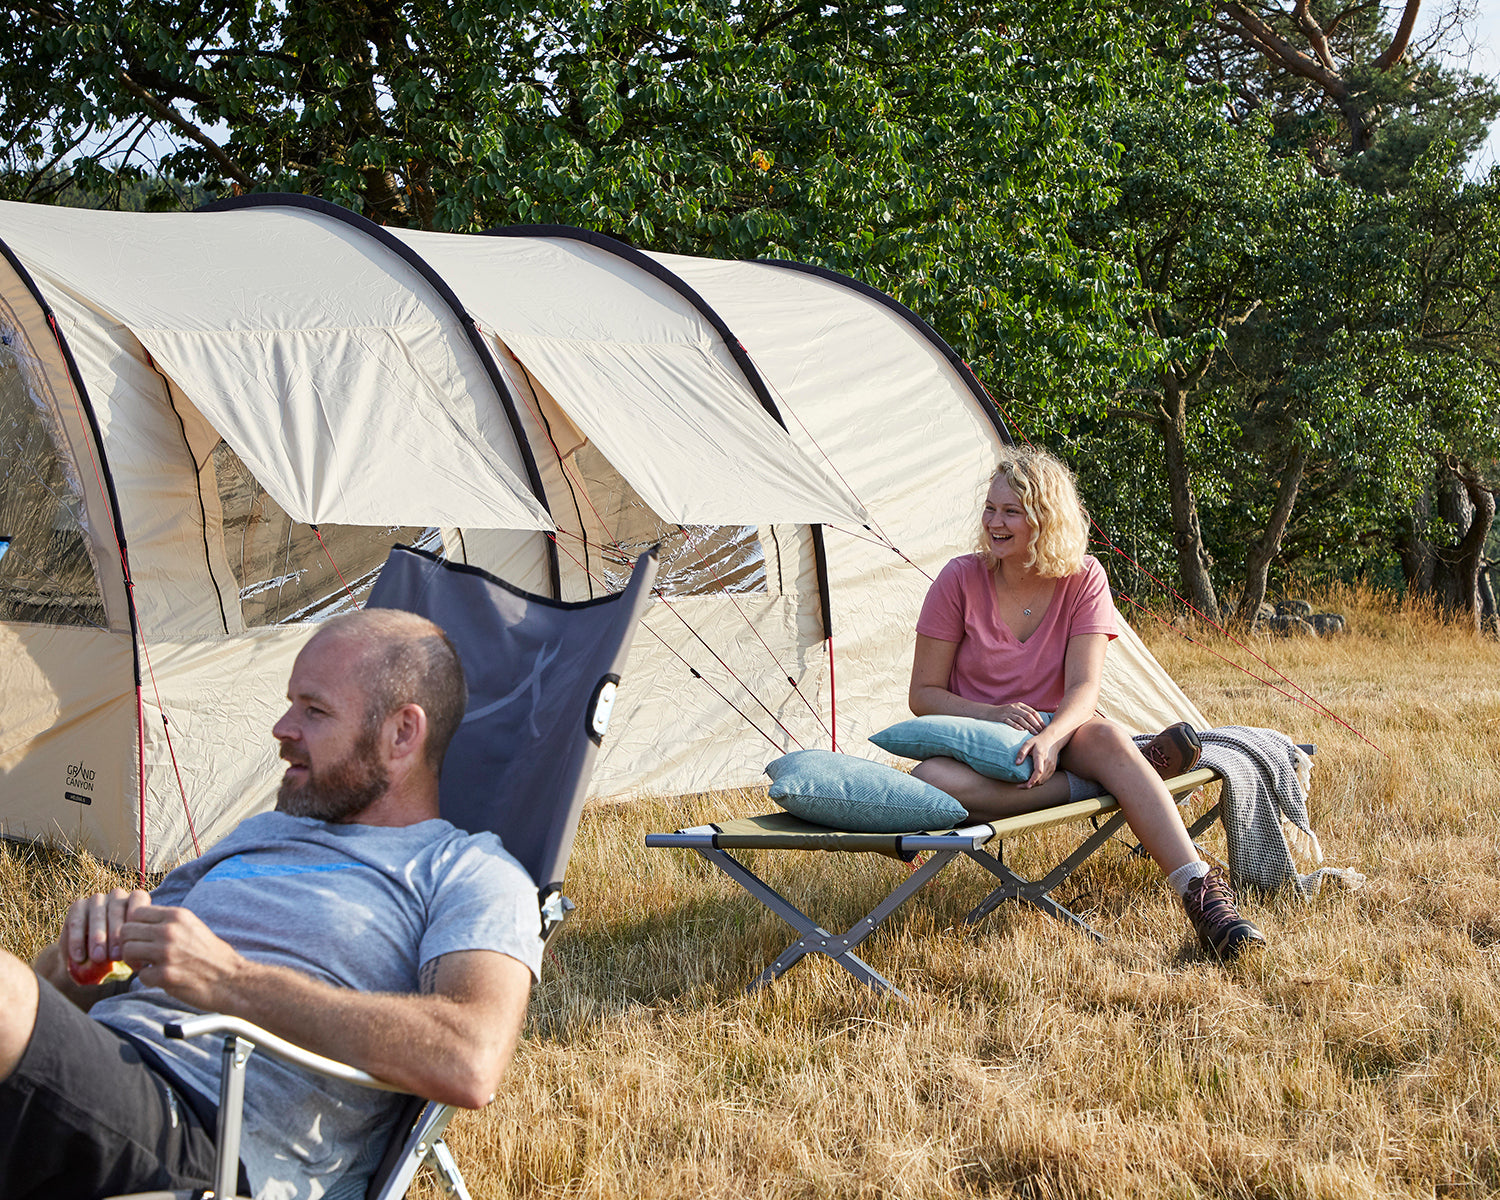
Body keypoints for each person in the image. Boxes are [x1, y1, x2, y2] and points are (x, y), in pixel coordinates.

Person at [0, 608, 544, 1199]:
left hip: (207, 1139)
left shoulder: (469, 873)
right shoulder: (258, 834)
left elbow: (471, 1059)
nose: (283, 728)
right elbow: (62, 996)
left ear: (402, 734)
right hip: (97, 1076)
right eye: (291, 705)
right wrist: (76, 960)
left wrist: (230, 981)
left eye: (314, 710)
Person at [909, 446, 1264, 960]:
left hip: (1064, 729)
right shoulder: (958, 580)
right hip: (977, 738)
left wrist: (1050, 739)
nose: (994, 522)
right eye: (990, 508)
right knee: (929, 782)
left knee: (1107, 737)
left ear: (1046, 519)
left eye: (1011, 511)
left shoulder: (1084, 577)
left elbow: (1084, 690)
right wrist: (993, 714)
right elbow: (923, 695)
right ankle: (1110, 781)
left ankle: (1203, 896)